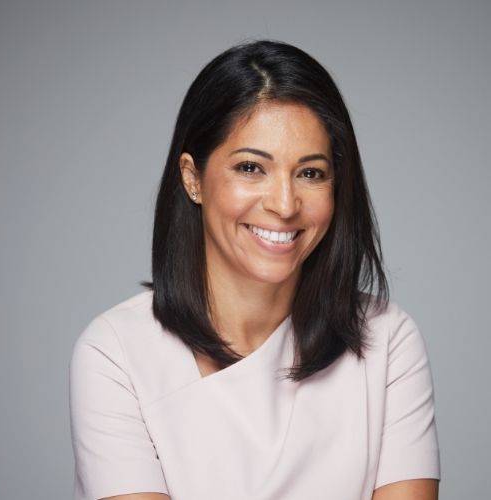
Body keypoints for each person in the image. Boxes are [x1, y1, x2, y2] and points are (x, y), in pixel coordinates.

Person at [69, 40, 440, 500]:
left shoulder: (387, 340)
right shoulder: (116, 353)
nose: (284, 204)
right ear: (192, 178)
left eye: (310, 173)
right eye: (250, 167)